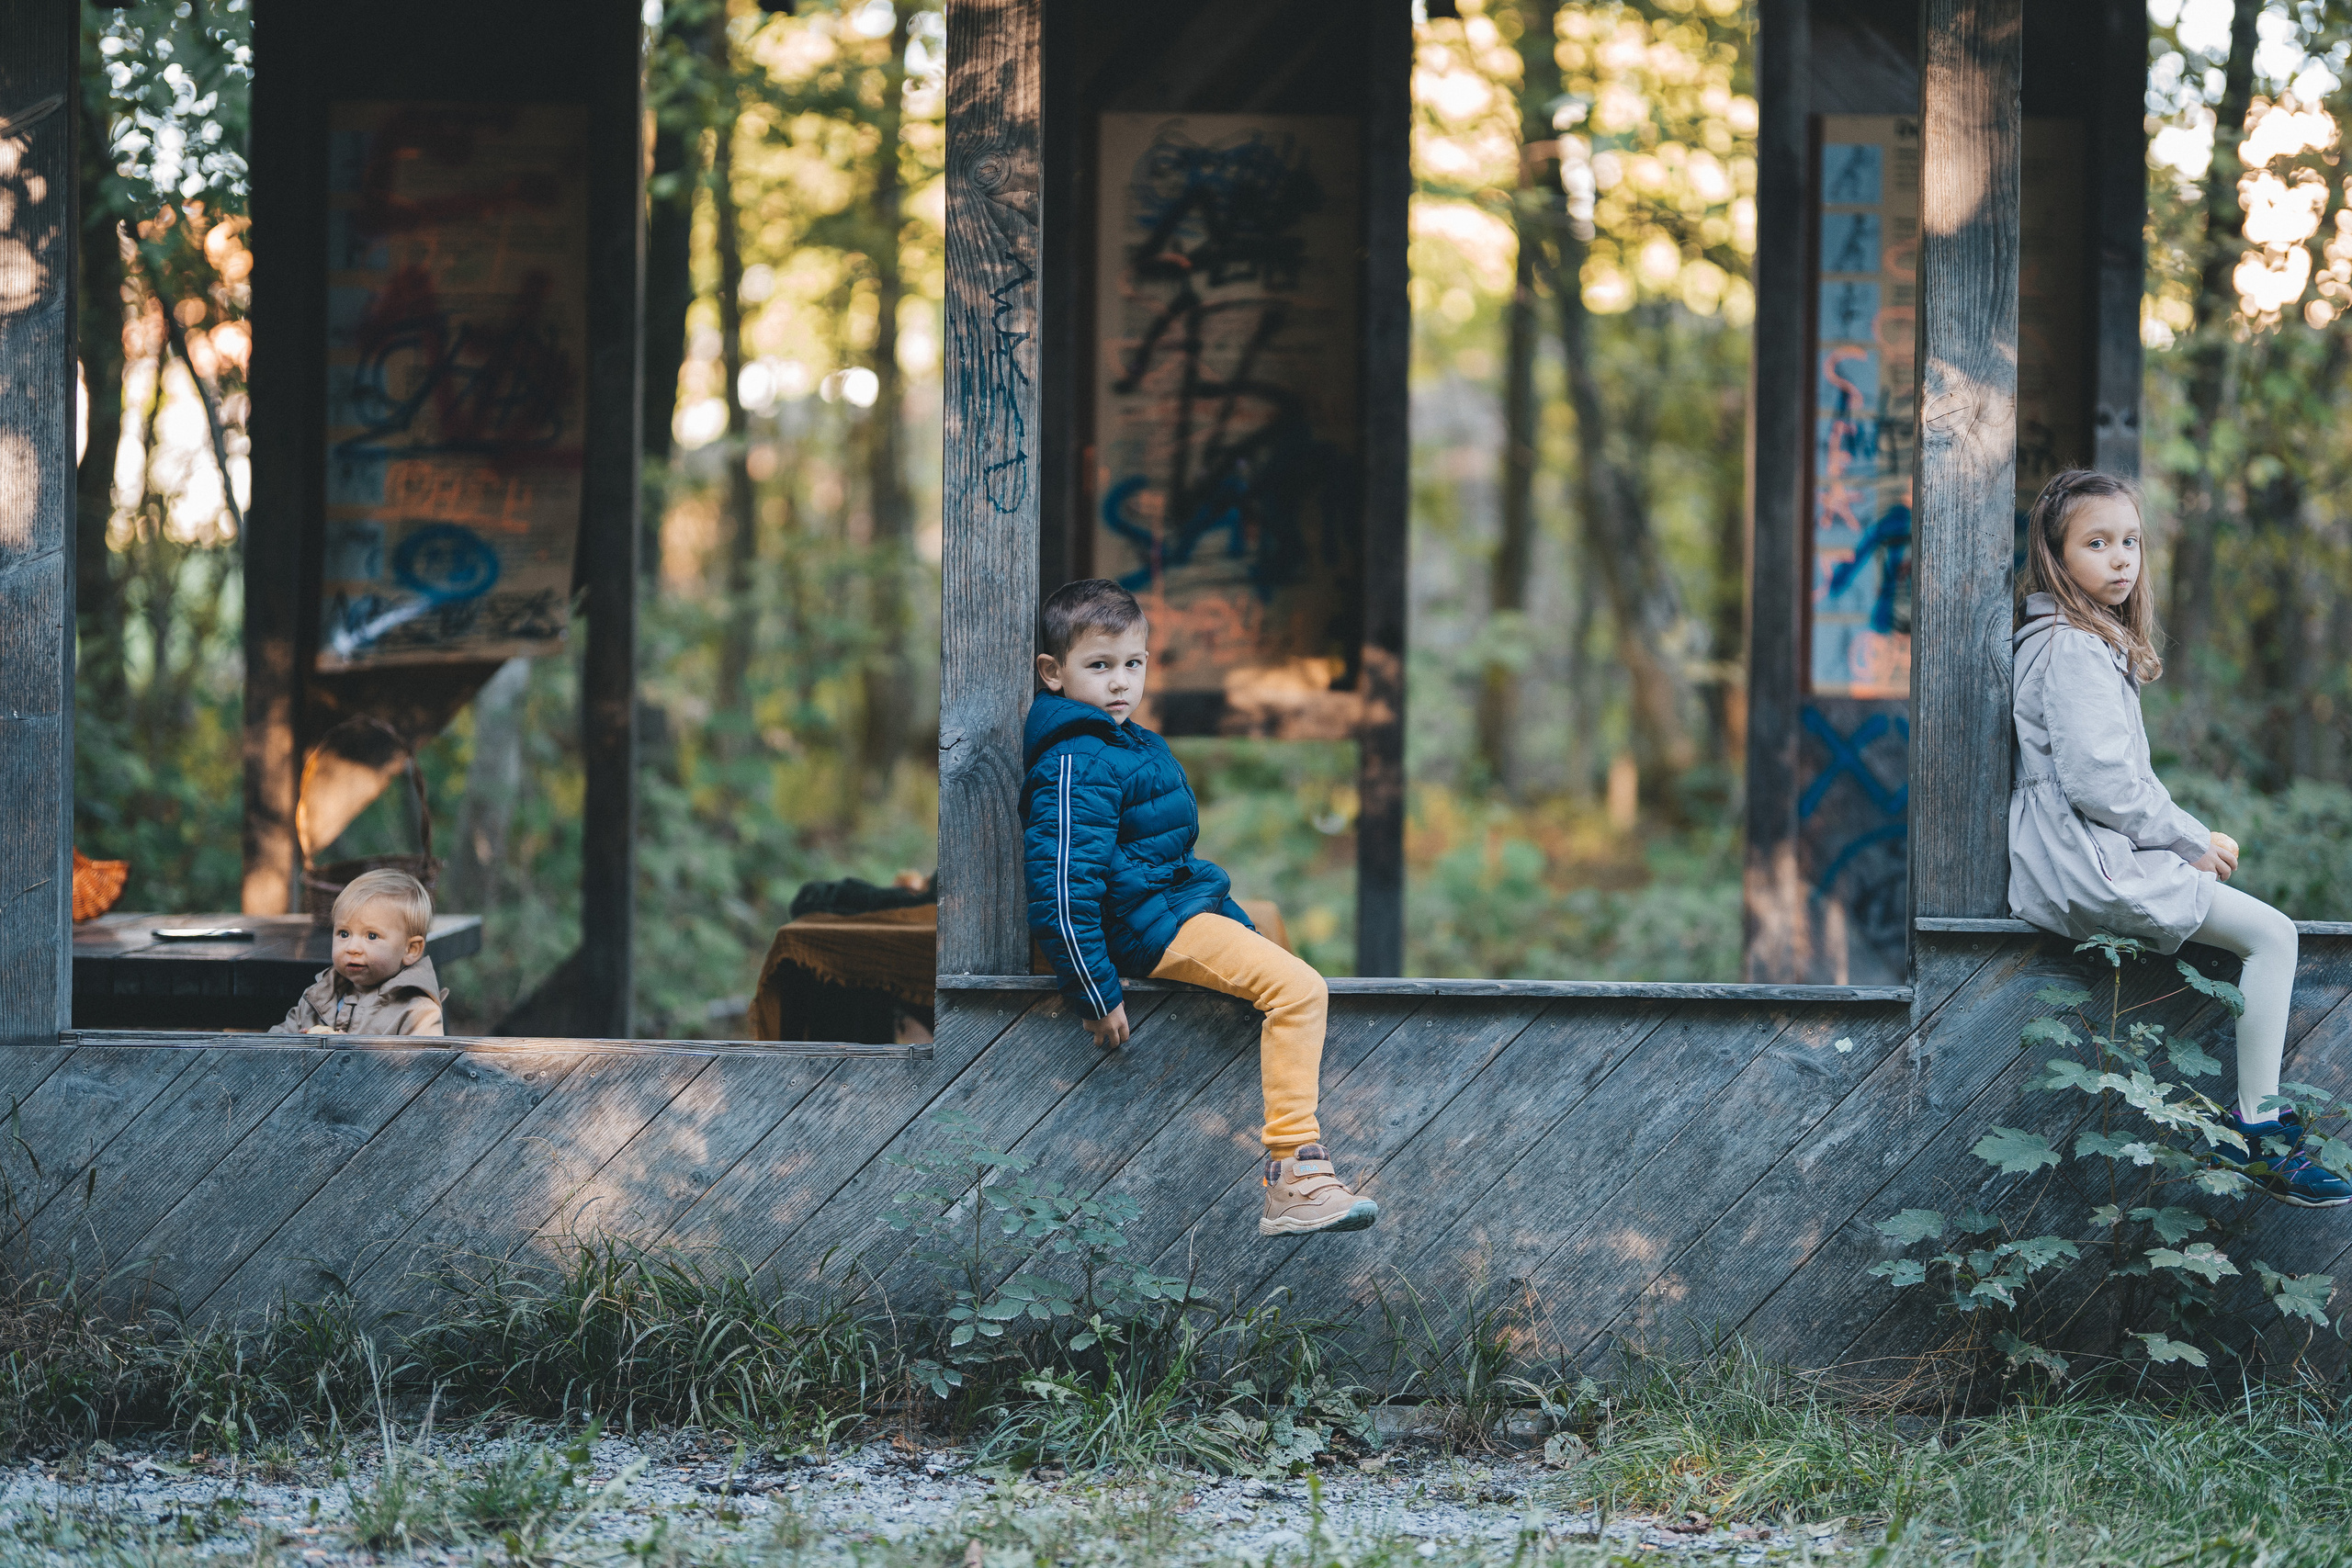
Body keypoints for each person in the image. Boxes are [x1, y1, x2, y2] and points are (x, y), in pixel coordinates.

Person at [2007, 468, 2349, 1208]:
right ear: (2056, 557)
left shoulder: (2075, 641)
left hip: (2081, 852)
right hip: (2085, 862)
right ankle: (2258, 1129)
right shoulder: (2073, 647)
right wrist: (2189, 840)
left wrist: (2182, 841)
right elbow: (2101, 785)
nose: (2121, 558)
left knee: (2258, 925)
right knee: (2275, 935)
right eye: (2097, 543)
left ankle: (2257, 1124)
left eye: (2130, 541)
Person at [1022, 579, 1377, 1236]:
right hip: (1142, 927)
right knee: (1299, 989)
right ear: (1053, 672)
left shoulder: (1128, 742)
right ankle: (1294, 1174)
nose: (1120, 681)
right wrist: (1095, 993)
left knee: (1277, 950)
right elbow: (1062, 888)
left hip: (1170, 907)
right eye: (1099, 665)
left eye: (1133, 663)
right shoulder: (1075, 759)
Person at [270, 868, 448, 1036]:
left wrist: (351, 1052)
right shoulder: (319, 996)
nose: (352, 948)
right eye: (344, 934)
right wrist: (296, 1045)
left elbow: (421, 1059)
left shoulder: (417, 1012)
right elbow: (270, 1044)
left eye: (371, 936)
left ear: (411, 950)